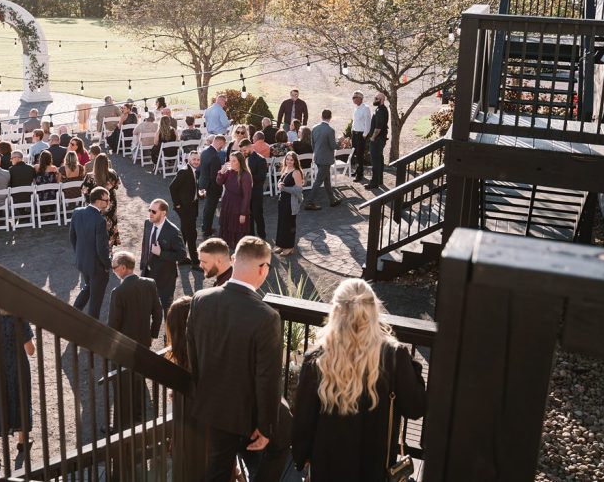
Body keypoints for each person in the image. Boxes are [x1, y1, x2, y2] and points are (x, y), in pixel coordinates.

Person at [291, 279, 427, 480]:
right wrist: (412, 367)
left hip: (328, 465)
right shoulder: (394, 355)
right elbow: (415, 408)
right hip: (375, 466)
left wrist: (302, 456)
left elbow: (303, 417)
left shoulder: (318, 358)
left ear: (335, 312)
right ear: (373, 311)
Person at [186, 236, 282, 482]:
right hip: (243, 414)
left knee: (218, 467)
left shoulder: (201, 299)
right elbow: (267, 377)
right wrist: (266, 425)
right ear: (263, 268)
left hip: (208, 404)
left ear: (233, 260)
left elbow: (193, 354)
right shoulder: (266, 317)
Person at [108, 251, 162, 427]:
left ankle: (120, 425)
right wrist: (152, 334)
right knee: (139, 379)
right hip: (143, 341)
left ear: (123, 267)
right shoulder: (150, 283)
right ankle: (140, 418)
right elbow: (158, 312)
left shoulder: (118, 292)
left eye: (114, 267)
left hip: (124, 346)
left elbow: (114, 323)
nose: (113, 271)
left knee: (121, 385)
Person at [0, 307, 35, 459]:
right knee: (21, 398)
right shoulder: (19, 317)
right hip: (18, 365)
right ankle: (22, 440)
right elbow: (30, 350)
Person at [70, 187, 112, 318]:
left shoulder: (77, 212)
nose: (109, 202)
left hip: (82, 262)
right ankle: (92, 332)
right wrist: (107, 265)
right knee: (95, 302)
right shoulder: (100, 220)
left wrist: (79, 254)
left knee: (88, 288)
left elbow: (72, 237)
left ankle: (72, 314)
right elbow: (101, 249)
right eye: (107, 200)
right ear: (99, 201)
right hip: (97, 267)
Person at [141, 199, 187, 311]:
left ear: (163, 213)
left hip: (165, 278)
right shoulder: (148, 223)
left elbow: (182, 255)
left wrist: (161, 253)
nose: (150, 214)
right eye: (149, 210)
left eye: (154, 211)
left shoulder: (173, 231)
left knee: (166, 309)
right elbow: (145, 245)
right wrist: (143, 265)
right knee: (145, 306)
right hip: (147, 274)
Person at [169, 151, 202, 267]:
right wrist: (177, 205)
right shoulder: (184, 172)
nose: (196, 162)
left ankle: (181, 258)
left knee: (184, 232)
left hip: (192, 206)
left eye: (198, 160)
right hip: (185, 209)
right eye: (194, 159)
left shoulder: (194, 171)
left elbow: (190, 189)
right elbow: (172, 187)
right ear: (189, 160)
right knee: (191, 234)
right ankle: (195, 262)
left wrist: (199, 194)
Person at [215, 151, 253, 250]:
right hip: (227, 203)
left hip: (238, 206)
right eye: (230, 160)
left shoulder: (246, 175)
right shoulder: (229, 171)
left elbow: (247, 196)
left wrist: (243, 213)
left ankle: (238, 253)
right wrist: (221, 172)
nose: (231, 163)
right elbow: (219, 182)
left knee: (237, 230)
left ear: (240, 162)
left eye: (234, 161)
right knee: (226, 226)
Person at [306, 109, 342, 210]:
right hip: (326, 159)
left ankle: (332, 200)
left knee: (326, 180)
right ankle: (309, 202)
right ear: (330, 117)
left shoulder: (314, 128)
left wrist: (316, 153)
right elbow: (333, 146)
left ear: (321, 116)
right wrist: (340, 142)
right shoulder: (330, 130)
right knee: (319, 181)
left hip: (317, 157)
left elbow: (312, 143)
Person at [82, 153, 121, 247]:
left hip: (95, 205)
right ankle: (109, 248)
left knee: (96, 226)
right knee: (110, 224)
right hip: (109, 203)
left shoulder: (89, 176)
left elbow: (84, 190)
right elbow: (116, 186)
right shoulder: (112, 174)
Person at [275, 151, 304, 256]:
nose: (289, 161)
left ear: (295, 161)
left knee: (289, 225)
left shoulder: (296, 172)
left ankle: (289, 247)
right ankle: (282, 245)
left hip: (291, 203)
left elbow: (298, 190)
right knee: (282, 224)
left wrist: (284, 188)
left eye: (291, 160)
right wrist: (279, 185)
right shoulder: (286, 169)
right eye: (287, 159)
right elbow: (281, 181)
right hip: (282, 201)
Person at [239, 140, 268, 239]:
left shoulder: (261, 159)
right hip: (245, 192)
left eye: (245, 150)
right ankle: (251, 236)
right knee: (247, 215)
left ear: (250, 146)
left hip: (256, 192)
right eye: (242, 151)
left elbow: (261, 177)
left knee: (257, 215)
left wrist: (247, 178)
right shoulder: (244, 158)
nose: (243, 152)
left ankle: (262, 236)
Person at [199, 135, 226, 239]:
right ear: (219, 142)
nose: (222, 148)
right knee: (210, 209)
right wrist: (222, 171)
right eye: (223, 145)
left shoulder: (205, 151)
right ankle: (207, 230)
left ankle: (205, 227)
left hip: (205, 183)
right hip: (212, 186)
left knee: (207, 208)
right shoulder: (215, 156)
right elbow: (215, 175)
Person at [366, 93, 390, 190]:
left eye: (376, 98)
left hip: (377, 140)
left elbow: (378, 127)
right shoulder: (381, 109)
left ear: (381, 100)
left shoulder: (381, 111)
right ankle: (379, 180)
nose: (374, 99)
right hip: (380, 139)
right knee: (379, 160)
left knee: (375, 161)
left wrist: (372, 137)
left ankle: (374, 183)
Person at [351, 91, 371, 182]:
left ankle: (360, 174)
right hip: (355, 133)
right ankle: (357, 170)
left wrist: (364, 135)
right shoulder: (356, 108)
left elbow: (368, 122)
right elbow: (355, 121)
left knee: (360, 154)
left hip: (361, 134)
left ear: (360, 98)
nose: (353, 99)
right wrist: (352, 130)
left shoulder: (365, 108)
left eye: (355, 97)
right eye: (353, 97)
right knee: (355, 153)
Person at [33, 149, 61, 214]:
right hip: (52, 195)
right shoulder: (54, 168)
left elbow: (34, 180)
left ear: (40, 158)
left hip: (40, 196)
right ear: (50, 159)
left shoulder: (36, 167)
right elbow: (57, 181)